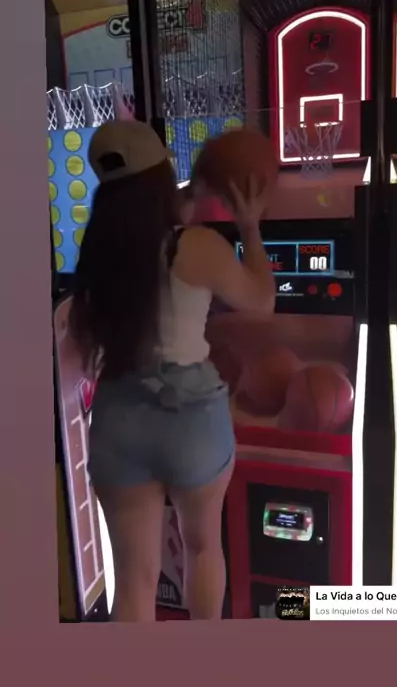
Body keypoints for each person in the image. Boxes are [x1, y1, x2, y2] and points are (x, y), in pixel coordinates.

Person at [68, 120, 275, 622]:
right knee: (203, 548)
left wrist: (190, 192)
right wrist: (250, 226)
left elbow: (83, 343)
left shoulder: (97, 255)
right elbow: (262, 300)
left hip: (120, 419)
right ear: (162, 177)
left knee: (134, 579)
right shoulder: (196, 247)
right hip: (191, 419)